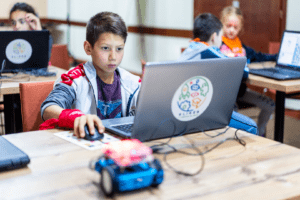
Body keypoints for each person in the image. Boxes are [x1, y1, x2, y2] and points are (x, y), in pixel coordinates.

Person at [40, 12, 141, 139]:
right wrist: (76, 117)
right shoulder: (74, 78)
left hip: (121, 148)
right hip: (85, 144)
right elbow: (48, 108)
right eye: (105, 48)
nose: (113, 57)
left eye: (119, 49)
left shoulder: (133, 82)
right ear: (88, 48)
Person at [179, 13, 257, 135]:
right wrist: (239, 57)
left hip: (183, 107)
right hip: (200, 110)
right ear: (215, 37)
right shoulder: (208, 51)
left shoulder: (190, 48)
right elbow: (244, 72)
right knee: (252, 126)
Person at [219, 6, 276, 136]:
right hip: (226, 94)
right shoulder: (218, 45)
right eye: (228, 26)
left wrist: (278, 57)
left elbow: (260, 56)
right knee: (236, 117)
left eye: (235, 27)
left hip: (241, 91)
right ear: (222, 24)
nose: (231, 30)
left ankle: (260, 134)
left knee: (270, 105)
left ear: (240, 28)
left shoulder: (242, 47)